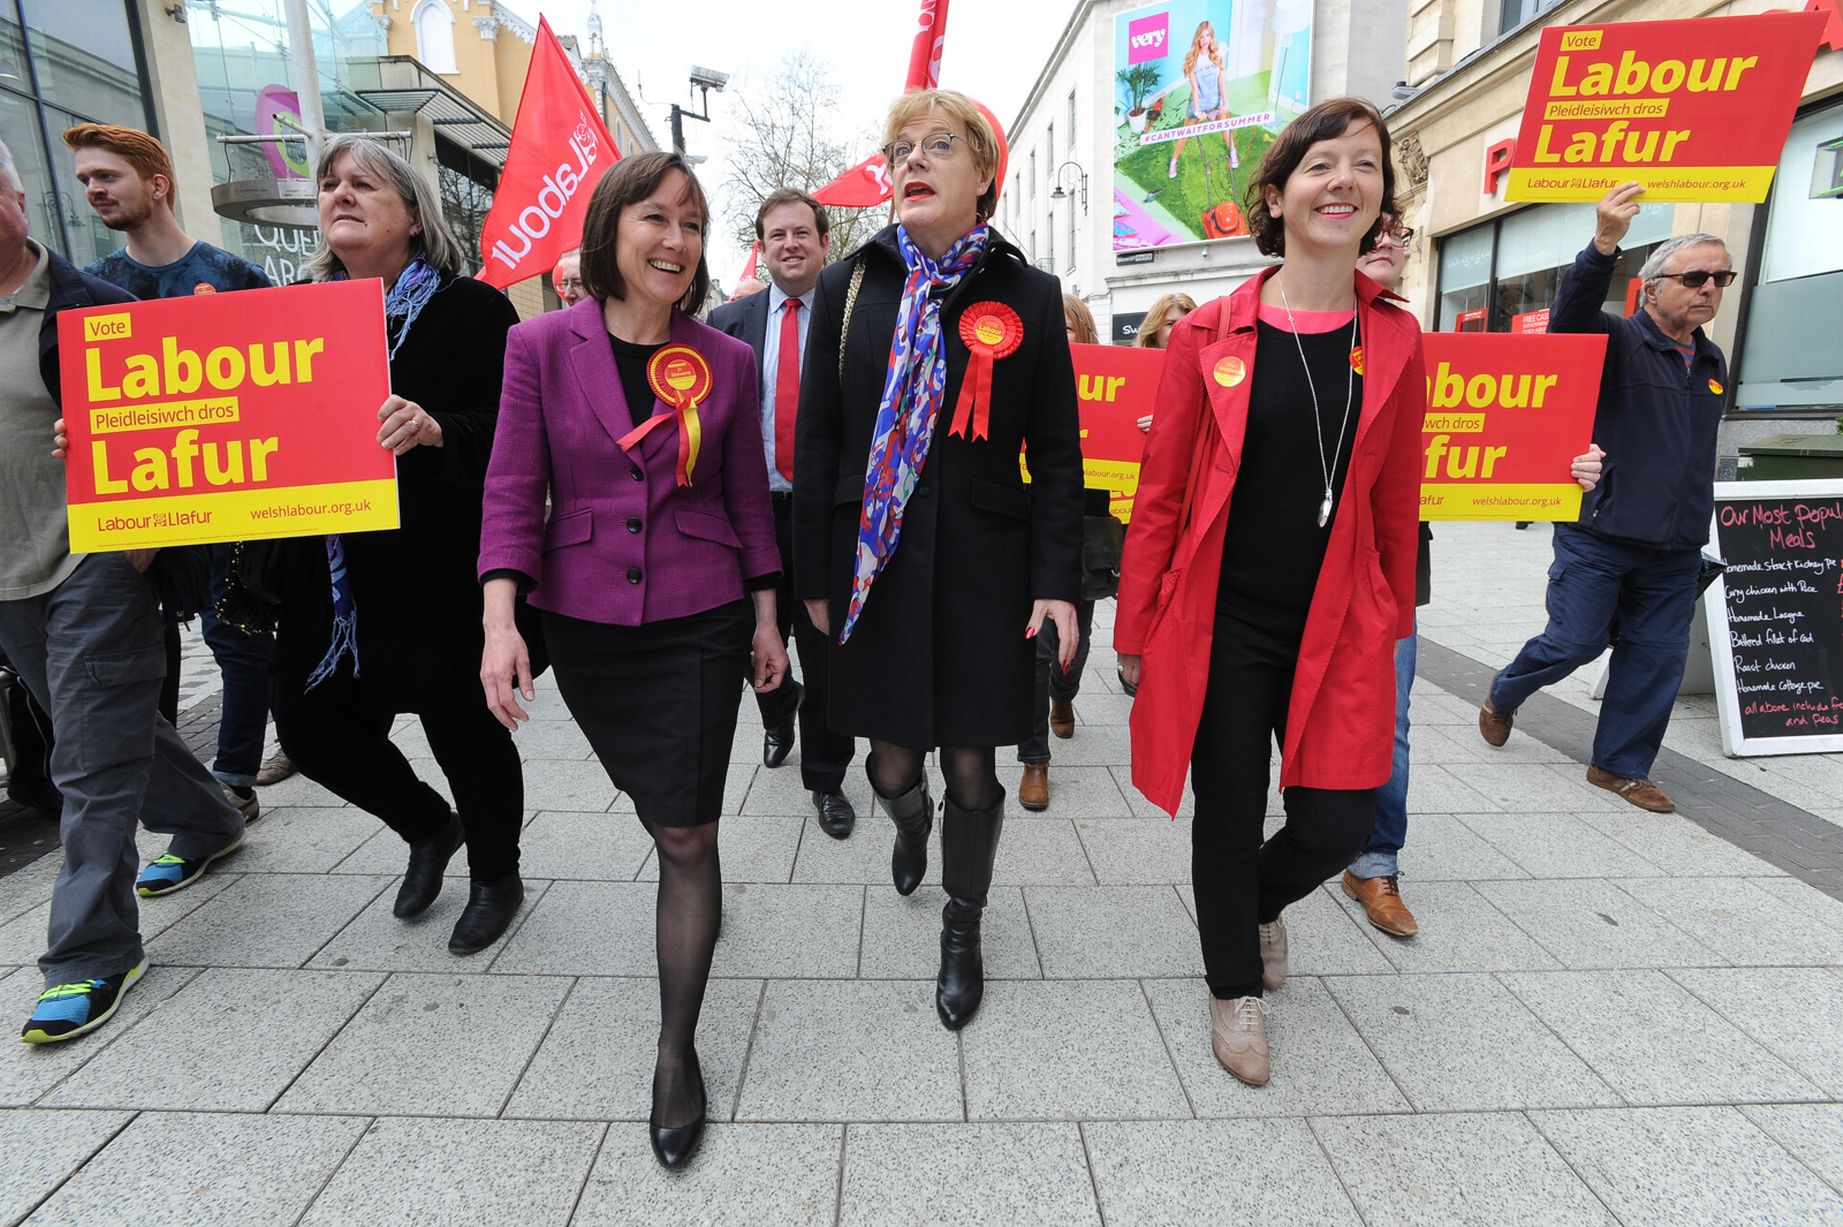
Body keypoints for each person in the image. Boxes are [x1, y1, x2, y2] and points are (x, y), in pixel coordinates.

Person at [479, 151, 786, 1171]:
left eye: (693, 225)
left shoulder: (728, 363)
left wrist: (767, 619)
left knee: (688, 835)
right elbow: (512, 490)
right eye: (656, 217)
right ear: (611, 228)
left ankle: (673, 1051)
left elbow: (747, 501)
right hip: (587, 627)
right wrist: (500, 620)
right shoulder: (536, 346)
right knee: (660, 809)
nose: (675, 240)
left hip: (701, 618)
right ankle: (684, 854)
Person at [1115, 98, 1424, 1087]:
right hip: (1224, 619)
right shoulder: (1208, 332)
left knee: (1340, 819)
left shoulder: (1399, 339)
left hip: (1339, 620)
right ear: (1278, 195)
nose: (1344, 181)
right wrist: (1135, 625)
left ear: (1380, 198)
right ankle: (1231, 984)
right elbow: (1158, 496)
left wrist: (1395, 618)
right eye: (1320, 164)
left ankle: (1253, 904)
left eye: (1364, 166)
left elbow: (1395, 495)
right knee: (1227, 807)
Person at [794, 89, 1084, 1032]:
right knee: (888, 766)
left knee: (971, 766)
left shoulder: (1028, 296)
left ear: (983, 174)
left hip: (982, 573)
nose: (911, 160)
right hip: (868, 568)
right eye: (899, 149)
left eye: (938, 145)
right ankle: (907, 821)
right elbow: (815, 441)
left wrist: (1057, 584)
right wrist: (812, 580)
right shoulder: (847, 289)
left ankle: (964, 924)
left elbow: (1058, 455)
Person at [2, 136, 245, 1043]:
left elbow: (180, 432)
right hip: (7, 574)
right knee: (100, 721)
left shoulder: (91, 309)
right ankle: (208, 817)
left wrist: (145, 537)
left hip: (96, 561)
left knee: (89, 762)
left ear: (19, 201)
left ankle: (89, 951)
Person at [262, 135, 526, 955]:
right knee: (309, 730)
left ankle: (495, 873)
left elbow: (516, 441)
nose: (339, 194)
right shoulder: (285, 317)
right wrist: (108, 450)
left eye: (363, 184)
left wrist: (437, 427)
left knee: (464, 730)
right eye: (329, 185)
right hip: (329, 579)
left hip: (438, 569)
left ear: (412, 214)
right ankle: (426, 825)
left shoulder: (473, 310)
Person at [1339, 217, 1606, 938]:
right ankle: (1283, 855)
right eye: (1371, 230)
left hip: (1387, 574)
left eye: (1395, 228)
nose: (1386, 240)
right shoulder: (1285, 331)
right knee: (1276, 724)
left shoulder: (1429, 350)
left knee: (1388, 724)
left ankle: (1373, 858)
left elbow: (1506, 433)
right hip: (1285, 571)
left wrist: (1564, 464)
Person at [1480, 183, 1731, 814]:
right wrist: (1604, 244)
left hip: (1675, 546)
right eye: (1695, 276)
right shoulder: (1613, 339)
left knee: (1655, 660)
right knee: (1574, 642)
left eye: (1721, 278)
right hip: (1600, 534)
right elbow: (1567, 323)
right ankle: (1506, 692)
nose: (1710, 288)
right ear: (1651, 287)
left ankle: (1619, 766)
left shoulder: (1711, 361)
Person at [65, 123, 274, 822]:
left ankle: (234, 779)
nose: (93, 189)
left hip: (227, 489)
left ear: (156, 185)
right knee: (140, 643)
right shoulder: (92, 289)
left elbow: (283, 385)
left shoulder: (236, 276)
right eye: (86, 180)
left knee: (235, 633)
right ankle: (168, 791)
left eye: (107, 176)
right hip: (139, 501)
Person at [710, 188, 858, 838]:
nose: (791, 243)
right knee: (752, 642)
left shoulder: (855, 320)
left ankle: (825, 777)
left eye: (802, 232)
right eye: (778, 235)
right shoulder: (725, 323)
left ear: (824, 242)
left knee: (825, 652)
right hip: (751, 516)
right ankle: (778, 712)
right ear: (762, 247)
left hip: (826, 520)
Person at [1016, 293, 1117, 811]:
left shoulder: (1113, 390)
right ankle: (1035, 758)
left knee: (1074, 644)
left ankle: (1066, 693)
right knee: (1034, 644)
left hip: (1090, 530)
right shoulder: (1019, 376)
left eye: (1069, 327)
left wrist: (1143, 434)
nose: (1059, 334)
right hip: (1030, 522)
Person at [1167, 21, 1235, 181]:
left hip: (1216, 100)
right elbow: (1195, 89)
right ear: (1197, 39)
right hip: (1199, 102)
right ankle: (1174, 160)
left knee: (1225, 127)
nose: (1204, 39)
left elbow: (1222, 82)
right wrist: (1198, 111)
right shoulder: (1192, 60)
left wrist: (1226, 103)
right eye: (1201, 36)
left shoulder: (1219, 53)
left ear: (1211, 37)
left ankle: (1232, 152)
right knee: (1185, 133)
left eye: (1208, 35)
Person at [1132, 291, 1195, 433]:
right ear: (1154, 331)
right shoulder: (1133, 370)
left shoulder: (1206, 374)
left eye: (1188, 324)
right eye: (1171, 324)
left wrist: (1170, 423)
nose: (1180, 330)